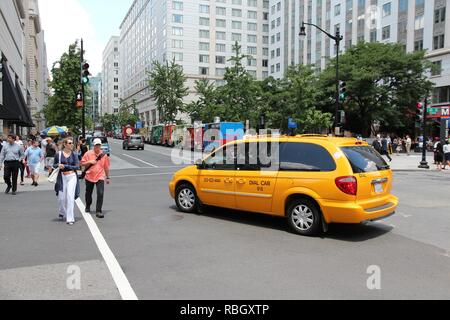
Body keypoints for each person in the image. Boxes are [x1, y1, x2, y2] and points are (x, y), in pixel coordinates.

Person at [80, 138, 111, 219]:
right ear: (93, 145)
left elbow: (106, 167)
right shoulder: (88, 153)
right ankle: (88, 205)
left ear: (100, 145)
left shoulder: (104, 155)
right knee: (88, 193)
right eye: (96, 145)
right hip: (89, 176)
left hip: (100, 176)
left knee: (100, 193)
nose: (98, 146)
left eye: (99, 145)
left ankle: (98, 211)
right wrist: (89, 162)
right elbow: (82, 163)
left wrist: (107, 177)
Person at [53, 138, 80, 226]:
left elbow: (77, 167)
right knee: (61, 198)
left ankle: (70, 218)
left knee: (70, 197)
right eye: (70, 143)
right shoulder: (59, 154)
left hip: (72, 176)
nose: (72, 144)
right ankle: (62, 211)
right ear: (65, 144)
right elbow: (54, 165)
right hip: (62, 177)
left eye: (72, 143)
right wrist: (58, 165)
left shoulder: (74, 154)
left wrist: (66, 166)